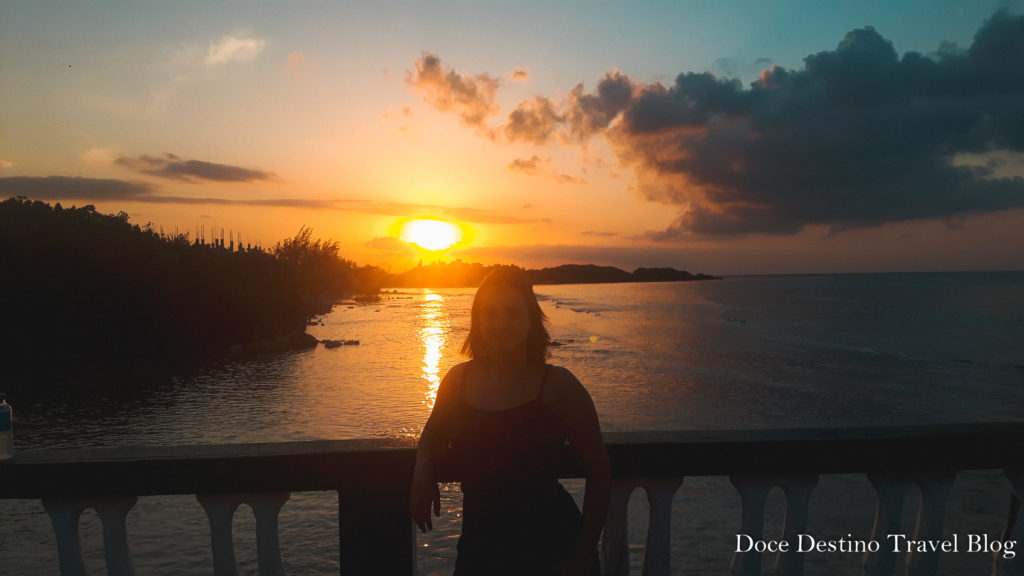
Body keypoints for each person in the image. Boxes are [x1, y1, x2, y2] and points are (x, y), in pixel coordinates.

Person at [409, 266, 610, 576]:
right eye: (489, 313)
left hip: (552, 550)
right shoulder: (457, 381)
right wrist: (422, 475)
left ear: (531, 322)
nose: (500, 323)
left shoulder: (558, 386)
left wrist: (584, 554)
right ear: (477, 321)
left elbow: (599, 468)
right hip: (480, 549)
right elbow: (434, 434)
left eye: (512, 313)